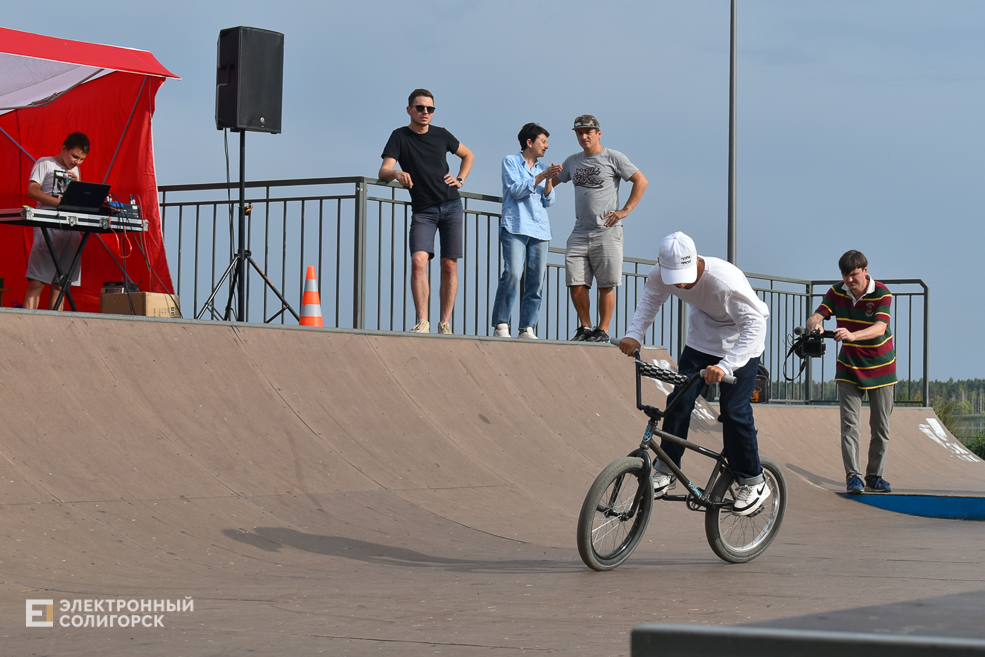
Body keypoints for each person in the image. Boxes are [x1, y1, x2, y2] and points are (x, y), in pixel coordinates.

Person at [619, 231, 772, 516]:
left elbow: (755, 326)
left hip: (742, 343)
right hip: (701, 342)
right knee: (679, 400)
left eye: (686, 275)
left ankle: (754, 479)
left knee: (734, 410)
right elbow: (650, 301)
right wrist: (634, 334)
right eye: (674, 276)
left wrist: (726, 366)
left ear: (698, 260)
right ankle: (666, 470)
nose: (680, 283)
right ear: (660, 265)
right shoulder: (659, 274)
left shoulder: (725, 282)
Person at [379, 89, 474, 335]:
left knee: (449, 265)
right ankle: (423, 321)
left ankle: (445, 324)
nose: (425, 112)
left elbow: (468, 155)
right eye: (420, 108)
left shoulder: (442, 135)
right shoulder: (399, 136)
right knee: (418, 261)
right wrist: (397, 172)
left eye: (429, 109)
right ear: (409, 110)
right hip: (423, 210)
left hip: (451, 205)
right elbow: (384, 170)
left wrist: (460, 179)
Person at [806, 250, 896, 494]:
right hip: (848, 367)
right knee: (850, 424)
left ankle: (875, 476)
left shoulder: (882, 292)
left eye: (854, 275)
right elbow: (816, 315)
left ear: (865, 271)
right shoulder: (836, 291)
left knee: (880, 426)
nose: (849, 280)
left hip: (881, 367)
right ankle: (853, 476)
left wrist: (852, 335)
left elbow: (880, 327)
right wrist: (815, 324)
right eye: (845, 275)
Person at [552, 114, 647, 343]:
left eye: (588, 132)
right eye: (579, 133)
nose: (584, 136)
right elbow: (552, 181)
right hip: (580, 231)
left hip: (607, 230)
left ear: (598, 133)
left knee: (606, 283)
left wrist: (624, 210)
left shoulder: (613, 157)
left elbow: (640, 181)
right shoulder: (573, 161)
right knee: (575, 281)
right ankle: (585, 326)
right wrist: (541, 181)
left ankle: (602, 330)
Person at [490, 123, 562, 339]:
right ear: (529, 142)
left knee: (536, 280)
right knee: (512, 273)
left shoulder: (543, 168)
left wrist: (549, 178)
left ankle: (527, 327)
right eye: (543, 141)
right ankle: (501, 324)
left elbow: (549, 200)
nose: (547, 146)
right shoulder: (510, 161)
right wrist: (540, 177)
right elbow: (516, 190)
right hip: (516, 226)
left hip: (540, 229)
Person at [24, 132, 90, 311]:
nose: (77, 162)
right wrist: (60, 203)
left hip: (70, 227)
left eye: (81, 159)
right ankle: (28, 325)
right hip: (48, 224)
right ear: (63, 149)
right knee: (37, 281)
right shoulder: (45, 163)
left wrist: (79, 189)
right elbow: (32, 190)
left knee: (61, 285)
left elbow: (76, 200)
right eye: (74, 156)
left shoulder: (75, 170)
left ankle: (56, 328)